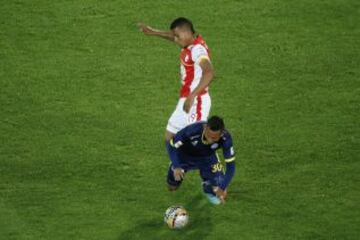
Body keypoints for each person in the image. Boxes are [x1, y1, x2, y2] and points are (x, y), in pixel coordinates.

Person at [138, 17, 215, 143]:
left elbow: (209, 73)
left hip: (197, 100)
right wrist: (153, 32)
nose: (175, 39)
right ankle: (182, 160)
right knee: (170, 137)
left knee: (197, 140)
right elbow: (172, 36)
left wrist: (192, 96)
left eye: (177, 36)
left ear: (186, 33)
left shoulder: (197, 50)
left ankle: (212, 162)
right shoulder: (189, 42)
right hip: (186, 98)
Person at [166, 116, 236, 205]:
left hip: (208, 158)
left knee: (220, 191)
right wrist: (176, 166)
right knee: (172, 187)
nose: (210, 140)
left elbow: (231, 167)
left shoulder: (226, 139)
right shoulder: (192, 131)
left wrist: (222, 188)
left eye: (214, 138)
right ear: (205, 127)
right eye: (209, 136)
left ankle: (207, 186)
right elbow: (171, 145)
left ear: (222, 133)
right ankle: (174, 168)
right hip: (184, 157)